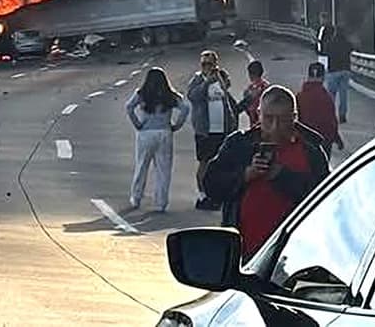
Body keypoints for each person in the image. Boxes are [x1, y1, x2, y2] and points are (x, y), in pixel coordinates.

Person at [202, 86, 330, 260]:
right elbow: (211, 185)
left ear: (294, 118)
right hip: (243, 255)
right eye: (269, 119)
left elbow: (325, 200)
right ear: (259, 115)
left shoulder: (311, 152)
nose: (275, 127)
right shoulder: (239, 144)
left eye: (283, 120)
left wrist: (280, 175)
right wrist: (246, 175)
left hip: (293, 257)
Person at [124, 67, 190, 212]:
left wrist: (137, 123)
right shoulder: (170, 95)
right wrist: (176, 125)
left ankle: (136, 198)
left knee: (141, 166)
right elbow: (185, 108)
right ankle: (161, 202)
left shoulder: (142, 93)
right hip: (165, 132)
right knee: (163, 169)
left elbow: (129, 107)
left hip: (146, 133)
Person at [187, 50, 238, 211]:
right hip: (205, 130)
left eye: (210, 64)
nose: (207, 67)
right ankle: (203, 194)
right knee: (205, 163)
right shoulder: (197, 79)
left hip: (222, 128)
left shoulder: (222, 77)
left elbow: (227, 92)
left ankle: (219, 195)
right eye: (204, 64)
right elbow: (193, 97)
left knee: (223, 164)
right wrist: (207, 82)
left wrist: (219, 79)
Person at [295, 62, 343, 154]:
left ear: (308, 76)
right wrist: (337, 139)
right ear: (323, 77)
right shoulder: (327, 97)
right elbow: (331, 121)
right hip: (324, 141)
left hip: (306, 142)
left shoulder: (300, 97)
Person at [324, 27, 354, 123]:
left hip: (333, 71)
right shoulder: (347, 44)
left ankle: (330, 115)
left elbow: (325, 51)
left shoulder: (330, 43)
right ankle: (342, 115)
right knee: (343, 95)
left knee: (331, 95)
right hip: (345, 71)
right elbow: (352, 49)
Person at [237, 60, 269, 126]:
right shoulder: (267, 87)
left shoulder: (249, 89)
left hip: (255, 123)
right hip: (266, 123)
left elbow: (245, 108)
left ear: (250, 74)